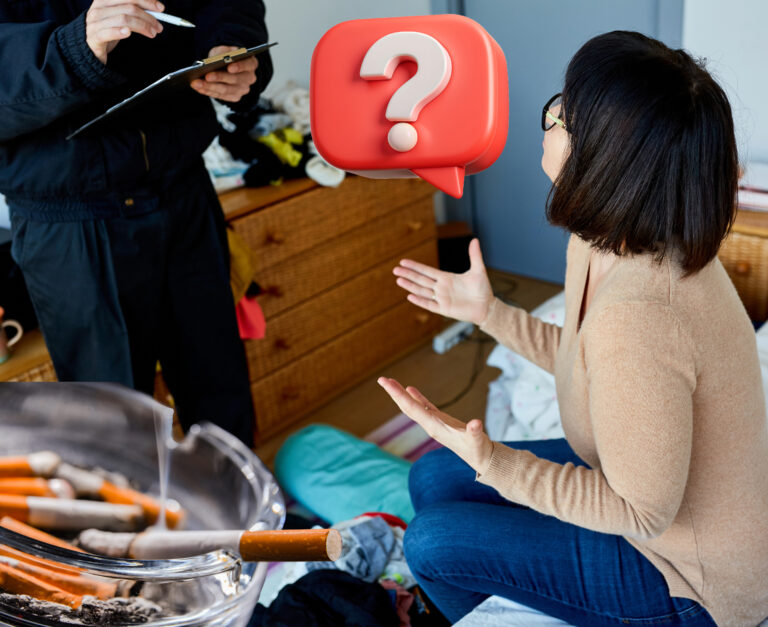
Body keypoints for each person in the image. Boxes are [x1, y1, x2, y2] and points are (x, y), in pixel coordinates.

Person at [378, 31, 768, 626]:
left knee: (433, 542)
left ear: (607, 161)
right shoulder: (605, 238)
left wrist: (498, 462)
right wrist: (491, 314)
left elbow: (642, 515)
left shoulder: (643, 313)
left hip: (693, 579)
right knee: (434, 473)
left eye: (566, 115)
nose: (551, 117)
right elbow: (592, 361)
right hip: (634, 482)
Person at [0, 0, 273, 445]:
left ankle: (244, 514)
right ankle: (136, 517)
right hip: (74, 222)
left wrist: (233, 50)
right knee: (115, 430)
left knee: (223, 402)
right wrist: (74, 48)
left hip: (185, 192)